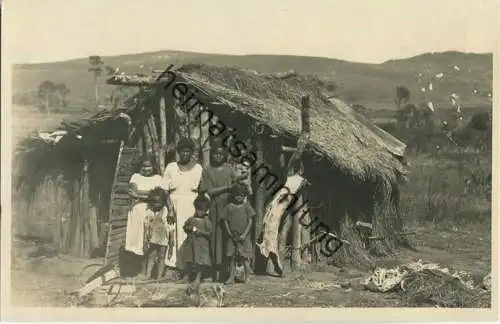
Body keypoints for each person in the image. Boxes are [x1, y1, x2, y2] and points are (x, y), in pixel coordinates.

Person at [198, 141, 247, 282]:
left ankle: (231, 273)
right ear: (212, 155)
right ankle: (216, 273)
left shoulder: (229, 168)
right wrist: (227, 187)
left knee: (229, 239)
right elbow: (209, 191)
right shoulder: (207, 170)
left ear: (225, 155)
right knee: (216, 239)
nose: (218, 156)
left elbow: (236, 186)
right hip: (215, 208)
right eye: (215, 154)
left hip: (229, 207)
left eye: (221, 154)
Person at [162, 137, 203, 278]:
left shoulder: (198, 168)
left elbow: (202, 190)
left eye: (188, 151)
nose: (185, 154)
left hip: (192, 205)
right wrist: (170, 210)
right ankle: (174, 267)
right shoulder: (171, 167)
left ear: (191, 152)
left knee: (189, 235)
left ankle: (189, 267)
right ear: (178, 152)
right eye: (182, 151)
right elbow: (165, 191)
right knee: (174, 236)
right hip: (175, 206)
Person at [124, 157, 165, 279]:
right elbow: (131, 192)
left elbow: (159, 195)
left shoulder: (158, 178)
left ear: (153, 166)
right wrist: (149, 194)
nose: (146, 169)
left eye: (149, 166)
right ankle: (138, 271)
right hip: (136, 213)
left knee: (149, 241)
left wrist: (139, 195)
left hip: (151, 213)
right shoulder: (135, 177)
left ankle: (148, 272)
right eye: (144, 166)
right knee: (137, 241)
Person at [221, 183, 256, 284]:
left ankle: (248, 277)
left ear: (245, 196)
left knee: (245, 257)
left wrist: (244, 234)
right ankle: (231, 277)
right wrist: (229, 234)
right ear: (233, 195)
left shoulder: (247, 206)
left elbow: (250, 221)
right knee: (231, 258)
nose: (239, 197)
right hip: (232, 237)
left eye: (241, 195)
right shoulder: (228, 207)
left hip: (244, 237)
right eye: (237, 195)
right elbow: (225, 221)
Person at [144, 187, 174, 280]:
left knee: (161, 257)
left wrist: (171, 240)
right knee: (151, 256)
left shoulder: (166, 212)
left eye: (158, 202)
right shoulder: (150, 212)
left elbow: (171, 227)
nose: (156, 205)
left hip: (163, 237)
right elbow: (146, 225)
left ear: (163, 202)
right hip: (153, 237)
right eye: (154, 203)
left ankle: (159, 275)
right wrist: (146, 236)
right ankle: (148, 274)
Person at [182, 194, 212, 287]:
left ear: (206, 210)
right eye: (198, 210)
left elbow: (210, 233)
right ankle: (188, 276)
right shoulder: (191, 219)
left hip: (201, 245)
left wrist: (199, 232)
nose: (200, 212)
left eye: (203, 210)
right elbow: (185, 227)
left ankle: (198, 278)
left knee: (200, 263)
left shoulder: (207, 221)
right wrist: (188, 228)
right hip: (191, 243)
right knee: (189, 260)